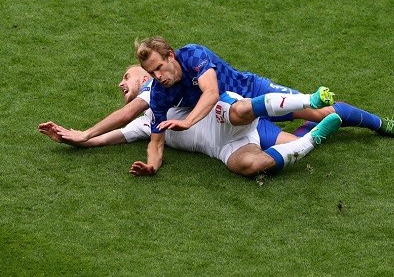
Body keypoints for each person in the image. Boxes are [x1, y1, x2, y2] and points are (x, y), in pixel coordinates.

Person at [133, 36, 394, 139]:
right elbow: (155, 137)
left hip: (254, 90)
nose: (157, 75)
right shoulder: (160, 92)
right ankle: (308, 135)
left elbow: (210, 92)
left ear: (170, 55)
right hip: (236, 121)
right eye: (150, 72)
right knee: (289, 145)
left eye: (159, 67)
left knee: (317, 111)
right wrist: (151, 164)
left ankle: (382, 125)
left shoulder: (193, 55)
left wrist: (188, 122)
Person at [40, 83, 341, 177]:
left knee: (240, 110)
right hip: (222, 148)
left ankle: (310, 101)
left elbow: (124, 114)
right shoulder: (146, 122)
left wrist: (84, 133)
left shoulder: (154, 88)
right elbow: (126, 138)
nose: (122, 83)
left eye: (126, 75)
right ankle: (312, 138)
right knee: (250, 167)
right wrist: (75, 140)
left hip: (221, 116)